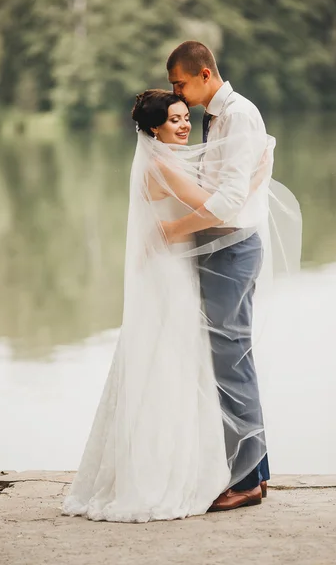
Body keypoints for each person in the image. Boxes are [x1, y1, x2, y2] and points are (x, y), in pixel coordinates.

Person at [61, 90, 231, 523]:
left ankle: (168, 464)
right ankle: (161, 475)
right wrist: (256, 175)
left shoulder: (165, 161)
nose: (184, 124)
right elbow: (211, 208)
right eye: (174, 119)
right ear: (154, 126)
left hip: (169, 268)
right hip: (168, 277)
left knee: (166, 362)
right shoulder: (160, 165)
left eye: (185, 117)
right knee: (170, 364)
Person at [163, 40, 274, 510]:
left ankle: (246, 480)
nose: (178, 94)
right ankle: (257, 472)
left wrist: (175, 229)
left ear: (204, 75)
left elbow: (228, 202)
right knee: (235, 361)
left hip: (230, 252)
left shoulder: (239, 115)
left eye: (181, 84)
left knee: (231, 364)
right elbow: (241, 176)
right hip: (222, 250)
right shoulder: (219, 116)